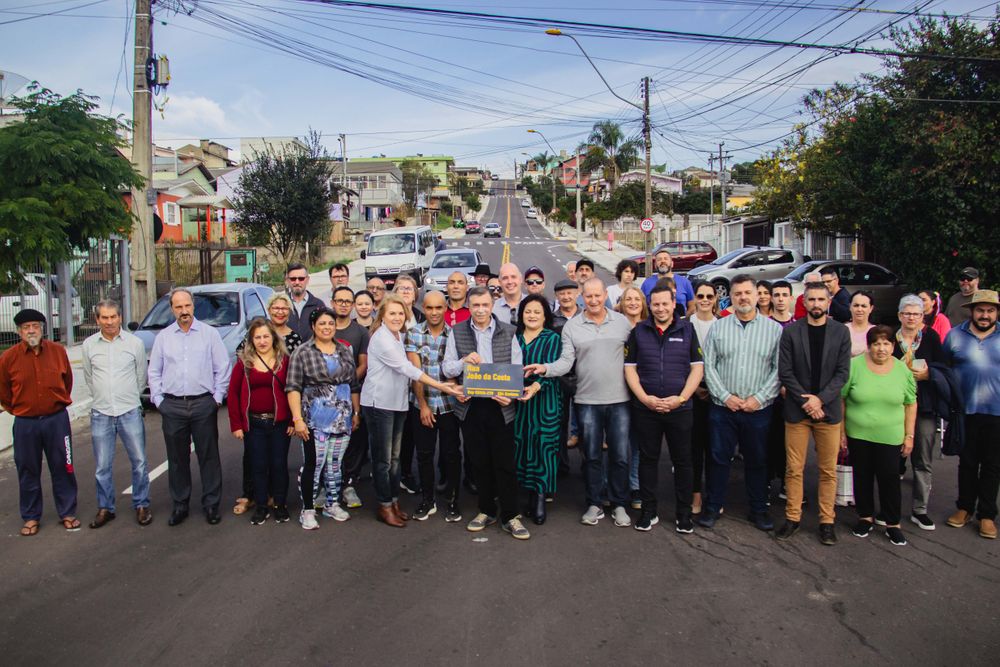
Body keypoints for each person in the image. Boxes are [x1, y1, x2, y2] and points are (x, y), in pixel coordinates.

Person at [524, 278, 634, 528]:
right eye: (589, 296)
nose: (593, 300)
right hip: (587, 401)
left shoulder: (622, 323)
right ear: (582, 297)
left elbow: (635, 358)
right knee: (592, 456)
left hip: (620, 400)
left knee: (619, 456)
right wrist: (545, 368)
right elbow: (566, 362)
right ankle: (594, 503)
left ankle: (619, 504)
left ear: (605, 295)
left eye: (598, 295)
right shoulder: (572, 327)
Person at [364, 294, 462, 527]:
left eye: (400, 313)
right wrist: (441, 386)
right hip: (379, 403)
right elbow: (408, 368)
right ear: (382, 315)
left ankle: (393, 501)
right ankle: (385, 505)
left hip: (398, 403)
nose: (397, 317)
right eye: (392, 313)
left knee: (395, 458)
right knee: (383, 460)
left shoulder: (399, 335)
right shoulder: (381, 338)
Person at [443, 286, 531, 539]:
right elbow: (447, 368)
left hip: (501, 406)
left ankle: (511, 515)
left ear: (492, 305)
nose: (480, 310)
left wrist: (511, 395)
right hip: (471, 405)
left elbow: (517, 367)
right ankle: (486, 510)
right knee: (479, 462)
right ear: (468, 307)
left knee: (505, 462)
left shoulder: (508, 331)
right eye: (475, 305)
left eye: (485, 305)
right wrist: (463, 362)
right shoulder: (457, 331)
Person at [699, 275, 782, 532]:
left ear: (757, 295)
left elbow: (778, 370)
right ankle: (713, 507)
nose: (743, 297)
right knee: (718, 459)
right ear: (731, 298)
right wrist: (725, 397)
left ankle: (758, 510)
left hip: (758, 409)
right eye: (737, 294)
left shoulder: (774, 330)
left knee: (757, 460)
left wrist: (758, 399)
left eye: (747, 293)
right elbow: (709, 366)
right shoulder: (718, 328)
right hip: (723, 408)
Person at [775, 282, 852, 545]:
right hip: (797, 411)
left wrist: (820, 400)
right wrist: (807, 401)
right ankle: (792, 518)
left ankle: (827, 522)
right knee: (794, 469)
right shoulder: (791, 332)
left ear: (829, 302)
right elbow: (785, 372)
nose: (816, 304)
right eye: (811, 299)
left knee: (828, 470)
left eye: (821, 299)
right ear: (804, 302)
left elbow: (842, 373)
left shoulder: (841, 332)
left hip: (828, 411)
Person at [148, 288, 231, 527]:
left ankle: (211, 504)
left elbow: (222, 367)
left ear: (193, 306)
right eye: (178, 307)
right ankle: (180, 505)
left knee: (209, 456)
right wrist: (159, 400)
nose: (184, 311)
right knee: (177, 459)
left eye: (187, 306)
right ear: (172, 309)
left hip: (203, 403)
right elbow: (154, 371)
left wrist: (216, 398)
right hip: (173, 405)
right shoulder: (164, 337)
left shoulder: (209, 334)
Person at [625, 285, 704, 534]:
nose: (660, 309)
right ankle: (648, 512)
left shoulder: (687, 329)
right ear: (650, 305)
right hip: (646, 408)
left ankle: (683, 514)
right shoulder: (639, 331)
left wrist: (681, 398)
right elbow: (629, 368)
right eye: (656, 304)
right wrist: (644, 398)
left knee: (683, 461)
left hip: (680, 409)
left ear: (673, 303)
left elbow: (697, 368)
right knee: (648, 460)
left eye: (665, 304)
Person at [0, 309, 79, 536]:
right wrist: (20, 410)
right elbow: (4, 392)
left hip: (56, 421)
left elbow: (67, 382)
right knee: (27, 469)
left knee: (64, 466)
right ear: (19, 332)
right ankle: (31, 516)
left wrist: (54, 404)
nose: (31, 330)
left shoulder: (57, 352)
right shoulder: (8, 358)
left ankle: (67, 512)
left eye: (35, 326)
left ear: (42, 329)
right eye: (26, 327)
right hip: (26, 424)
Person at [841, 325, 917, 546]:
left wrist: (909, 435)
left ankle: (892, 523)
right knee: (862, 476)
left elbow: (910, 403)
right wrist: (841, 431)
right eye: (876, 344)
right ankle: (865, 517)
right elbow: (841, 399)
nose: (881, 348)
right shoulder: (854, 366)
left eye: (886, 344)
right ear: (869, 346)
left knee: (889, 479)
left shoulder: (902, 370)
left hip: (890, 435)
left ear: (893, 346)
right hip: (858, 433)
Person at [286, 307, 360, 530]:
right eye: (322, 324)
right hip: (314, 420)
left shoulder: (344, 350)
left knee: (335, 465)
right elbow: (293, 387)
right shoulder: (302, 352)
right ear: (313, 326)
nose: (327, 327)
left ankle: (332, 504)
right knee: (314, 464)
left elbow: (353, 385)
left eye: (330, 323)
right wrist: (297, 419)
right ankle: (308, 510)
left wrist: (356, 413)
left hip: (342, 418)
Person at [81, 300, 151, 529]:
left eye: (113, 317)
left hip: (129, 410)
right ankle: (105, 508)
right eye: (104, 317)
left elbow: (141, 376)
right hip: (101, 413)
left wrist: (129, 397)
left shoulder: (134, 343)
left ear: (120, 317)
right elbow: (89, 377)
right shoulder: (89, 345)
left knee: (139, 462)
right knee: (102, 465)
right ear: (97, 320)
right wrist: (102, 398)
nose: (109, 322)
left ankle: (141, 504)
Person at [943, 289, 1000, 540]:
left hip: (996, 412)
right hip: (964, 411)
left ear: (996, 313)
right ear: (972, 312)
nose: (985, 315)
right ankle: (964, 508)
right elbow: (944, 369)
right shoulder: (955, 335)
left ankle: (986, 515)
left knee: (992, 465)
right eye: (980, 310)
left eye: (990, 311)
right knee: (967, 462)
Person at [227, 319, 293, 525]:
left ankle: (280, 504)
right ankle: (261, 506)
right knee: (258, 465)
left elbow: (293, 391)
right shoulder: (243, 363)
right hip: (254, 424)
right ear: (251, 340)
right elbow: (233, 394)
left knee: (279, 465)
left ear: (273, 337)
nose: (262, 341)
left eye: (266, 336)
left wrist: (293, 420)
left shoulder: (285, 361)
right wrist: (236, 425)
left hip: (279, 423)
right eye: (257, 337)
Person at [405, 290, 463, 522]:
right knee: (424, 454)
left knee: (452, 454)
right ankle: (427, 500)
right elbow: (415, 373)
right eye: (429, 308)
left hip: (450, 405)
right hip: (424, 404)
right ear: (424, 309)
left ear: (446, 309)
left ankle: (453, 501)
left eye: (439, 307)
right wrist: (423, 405)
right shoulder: (414, 333)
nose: (434, 312)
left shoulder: (455, 334)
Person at [893, 294, 945, 531]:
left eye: (916, 314)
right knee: (892, 459)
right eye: (907, 313)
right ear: (900, 315)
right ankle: (889, 508)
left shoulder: (931, 338)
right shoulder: (891, 339)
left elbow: (943, 367)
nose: (911, 318)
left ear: (923, 316)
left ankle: (920, 509)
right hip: (894, 406)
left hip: (924, 405)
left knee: (922, 459)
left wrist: (928, 373)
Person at [514, 295, 563, 526]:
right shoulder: (514, 338)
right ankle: (529, 493)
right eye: (527, 311)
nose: (531, 315)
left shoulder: (552, 338)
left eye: (537, 312)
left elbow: (553, 368)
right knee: (522, 444)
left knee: (543, 446)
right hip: (518, 401)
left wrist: (535, 386)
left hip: (545, 398)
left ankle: (541, 496)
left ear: (545, 316)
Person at [331, 287, 370, 511]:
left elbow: (363, 363)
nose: (344, 304)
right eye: (340, 301)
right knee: (328, 442)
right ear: (332, 302)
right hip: (325, 398)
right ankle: (327, 485)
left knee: (355, 440)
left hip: (353, 393)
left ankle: (349, 484)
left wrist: (346, 383)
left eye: (348, 301)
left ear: (353, 305)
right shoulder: (324, 327)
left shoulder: (360, 332)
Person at [689, 282, 719, 514]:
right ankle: (695, 494)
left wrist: (714, 389)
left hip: (717, 395)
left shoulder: (723, 325)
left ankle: (714, 495)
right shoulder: (685, 325)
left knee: (715, 448)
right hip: (691, 394)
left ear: (716, 298)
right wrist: (695, 389)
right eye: (701, 296)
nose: (705, 300)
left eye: (710, 296)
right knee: (693, 449)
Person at [285, 263, 325, 341]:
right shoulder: (281, 305)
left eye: (301, 278)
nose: (297, 282)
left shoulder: (318, 305)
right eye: (293, 279)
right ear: (287, 280)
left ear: (307, 280)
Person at [845, 291, 875, 357]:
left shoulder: (876, 331)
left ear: (871, 308)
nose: (859, 309)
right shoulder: (842, 330)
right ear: (850, 307)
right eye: (856, 305)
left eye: (864, 306)